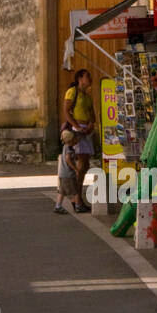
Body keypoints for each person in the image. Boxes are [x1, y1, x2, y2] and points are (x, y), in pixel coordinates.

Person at [56, 69, 96, 213]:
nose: (90, 79)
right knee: (79, 167)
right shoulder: (72, 92)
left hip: (85, 131)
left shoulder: (87, 96)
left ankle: (78, 198)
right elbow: (66, 111)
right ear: (80, 78)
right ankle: (77, 199)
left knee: (84, 166)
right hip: (76, 131)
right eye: (87, 76)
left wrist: (91, 125)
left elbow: (92, 115)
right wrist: (77, 126)